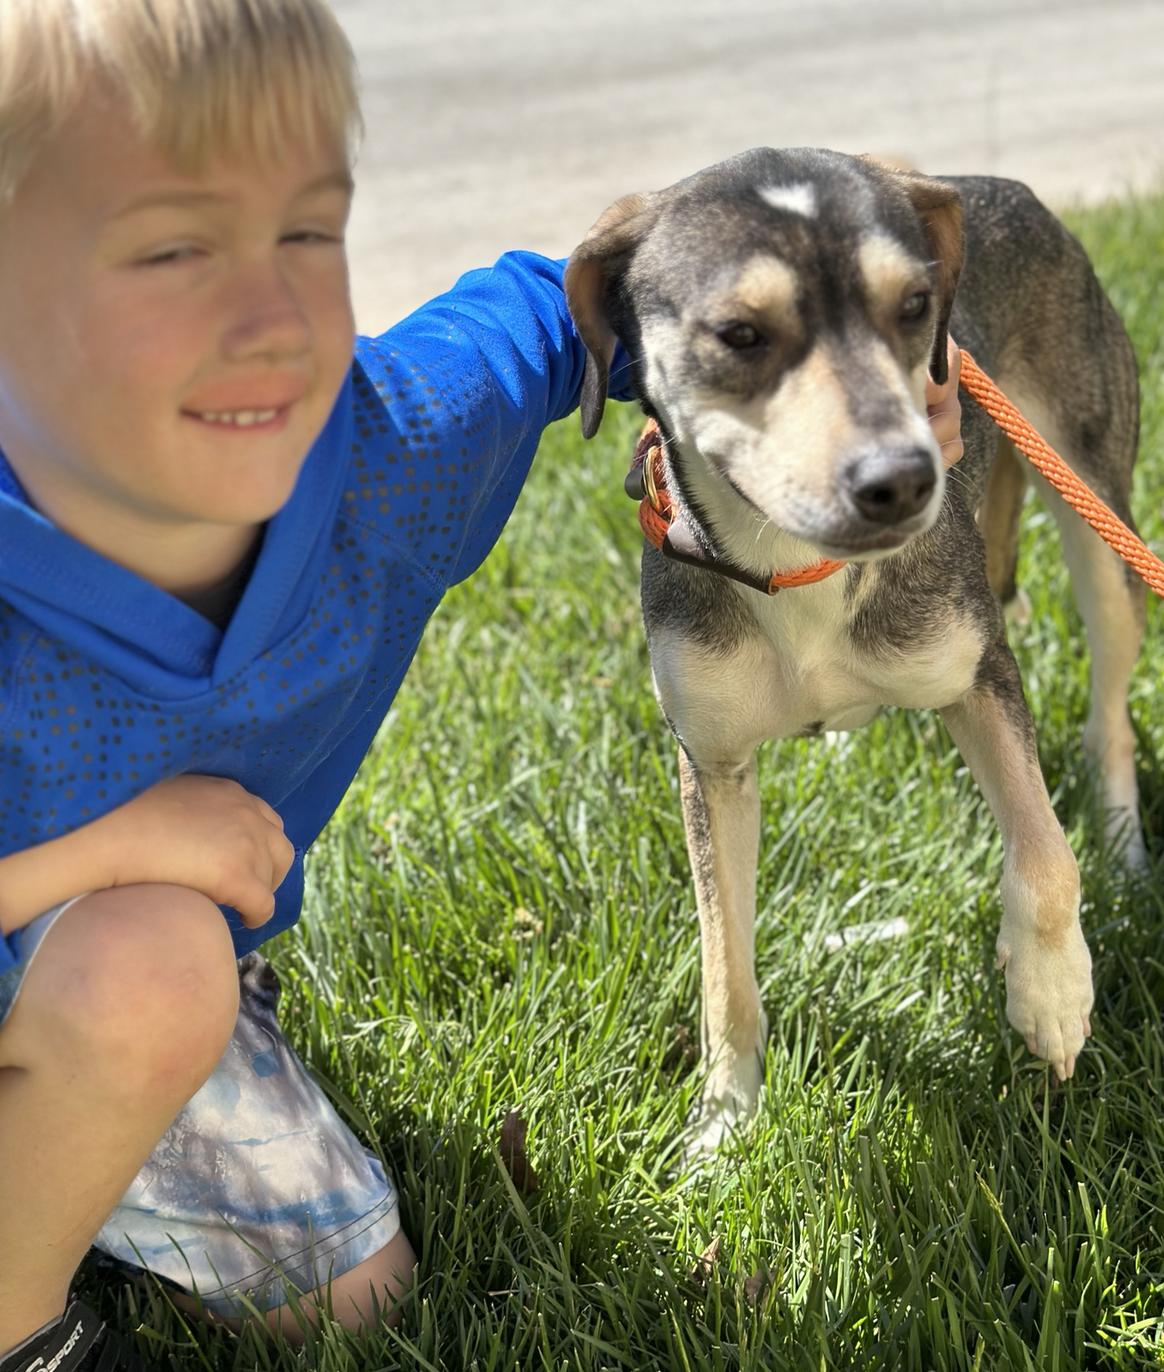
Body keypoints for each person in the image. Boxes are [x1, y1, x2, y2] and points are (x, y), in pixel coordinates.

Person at [0, 1, 966, 1367]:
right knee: (144, 948)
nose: (270, 317)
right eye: (169, 249)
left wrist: (875, 387)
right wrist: (119, 848)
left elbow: (620, 298)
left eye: (306, 232)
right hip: (85, 925)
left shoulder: (395, 453)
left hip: (106, 968)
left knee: (355, 1300)